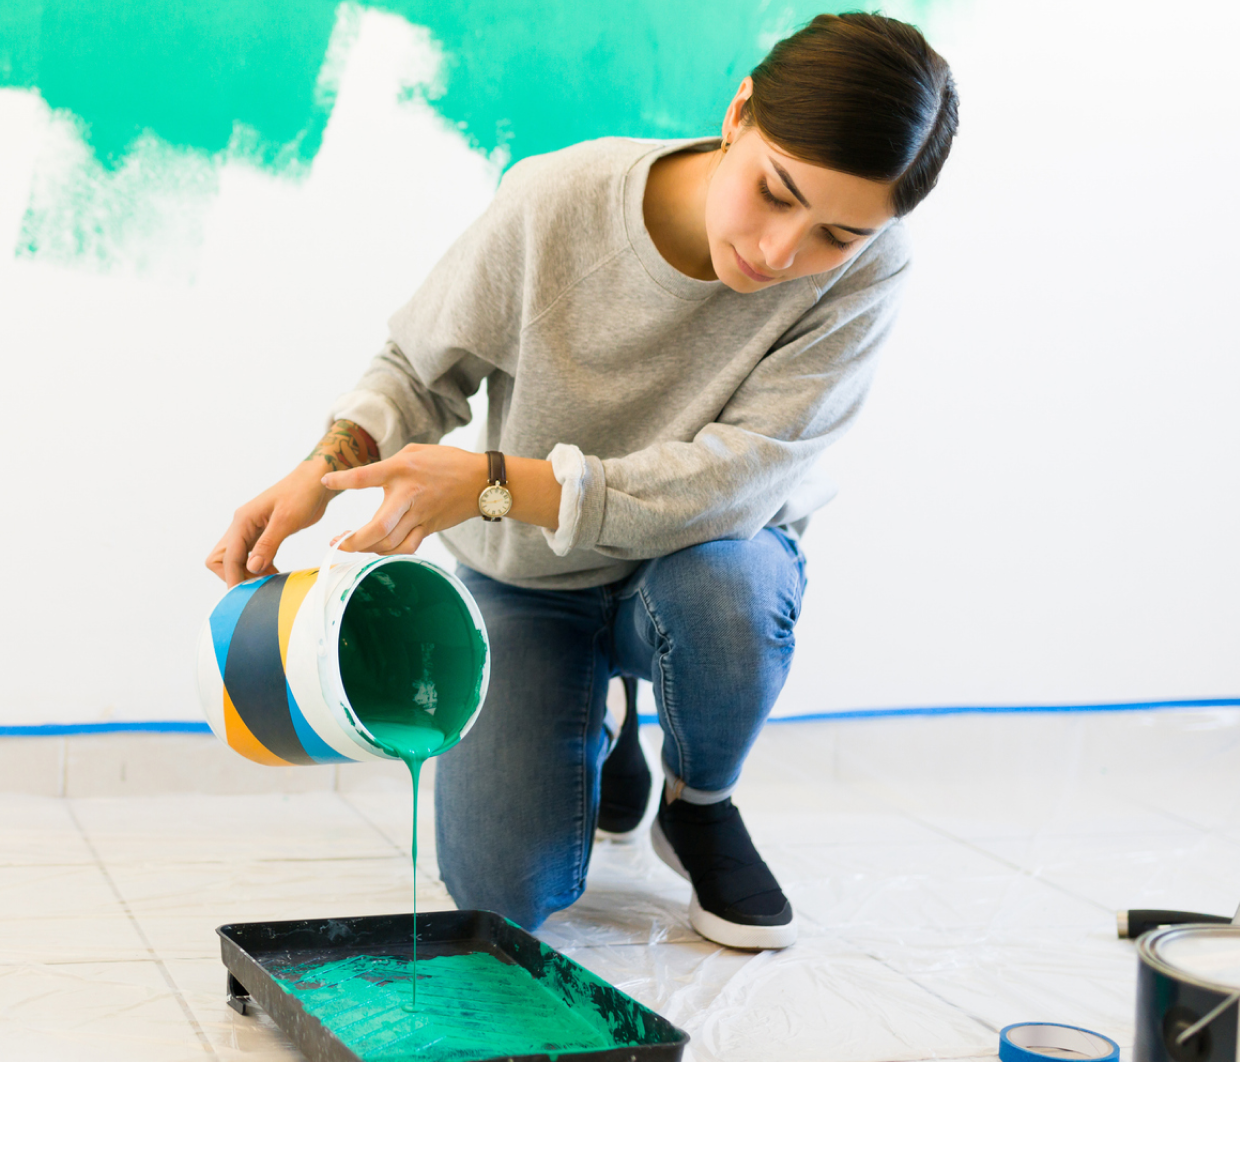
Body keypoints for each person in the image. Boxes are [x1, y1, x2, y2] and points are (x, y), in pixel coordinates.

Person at [206, 13, 958, 948]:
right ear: (739, 115)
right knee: (497, 895)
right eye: (774, 192)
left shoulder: (868, 269)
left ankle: (701, 800)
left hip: (691, 569)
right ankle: (602, 726)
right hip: (526, 580)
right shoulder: (558, 201)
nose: (779, 252)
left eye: (834, 234)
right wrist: (326, 467)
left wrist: (492, 482)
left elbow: (740, 480)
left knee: (734, 587)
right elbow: (419, 367)